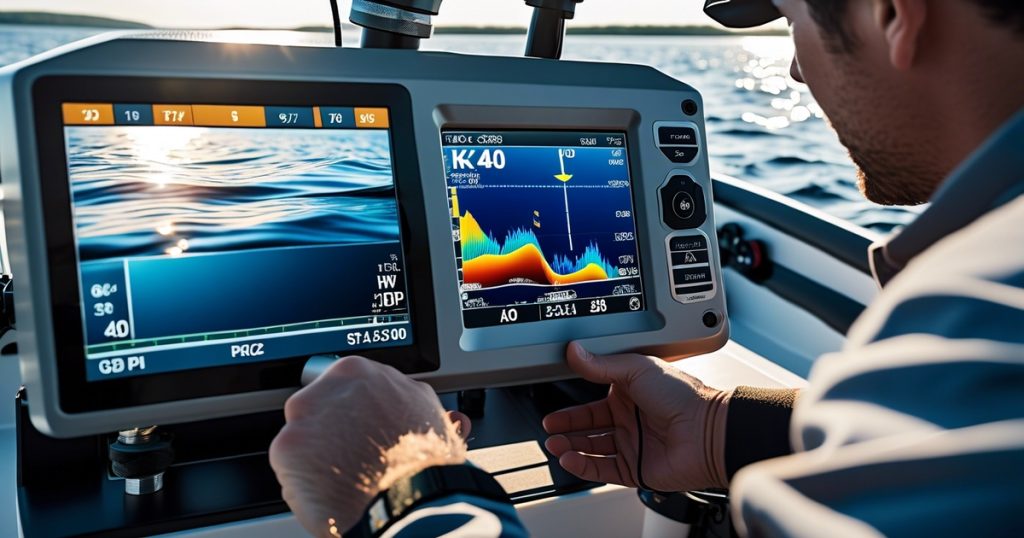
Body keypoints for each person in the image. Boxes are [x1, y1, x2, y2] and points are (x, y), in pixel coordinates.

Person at [269, 0, 1024, 535]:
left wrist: (409, 489)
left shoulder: (980, 315)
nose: (794, 68)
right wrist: (731, 432)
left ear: (895, 11)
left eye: (793, 21)